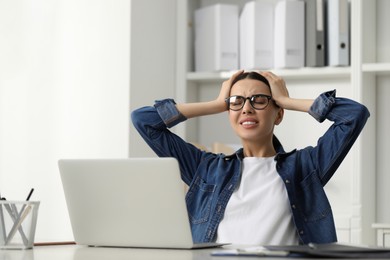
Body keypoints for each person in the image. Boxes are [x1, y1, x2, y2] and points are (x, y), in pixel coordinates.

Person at [131, 70, 370, 245]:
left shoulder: (305, 167)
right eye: (237, 101)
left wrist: (287, 100)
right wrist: (215, 104)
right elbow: (143, 121)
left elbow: (354, 115)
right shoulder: (205, 169)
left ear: (278, 115)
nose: (247, 108)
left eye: (259, 100)